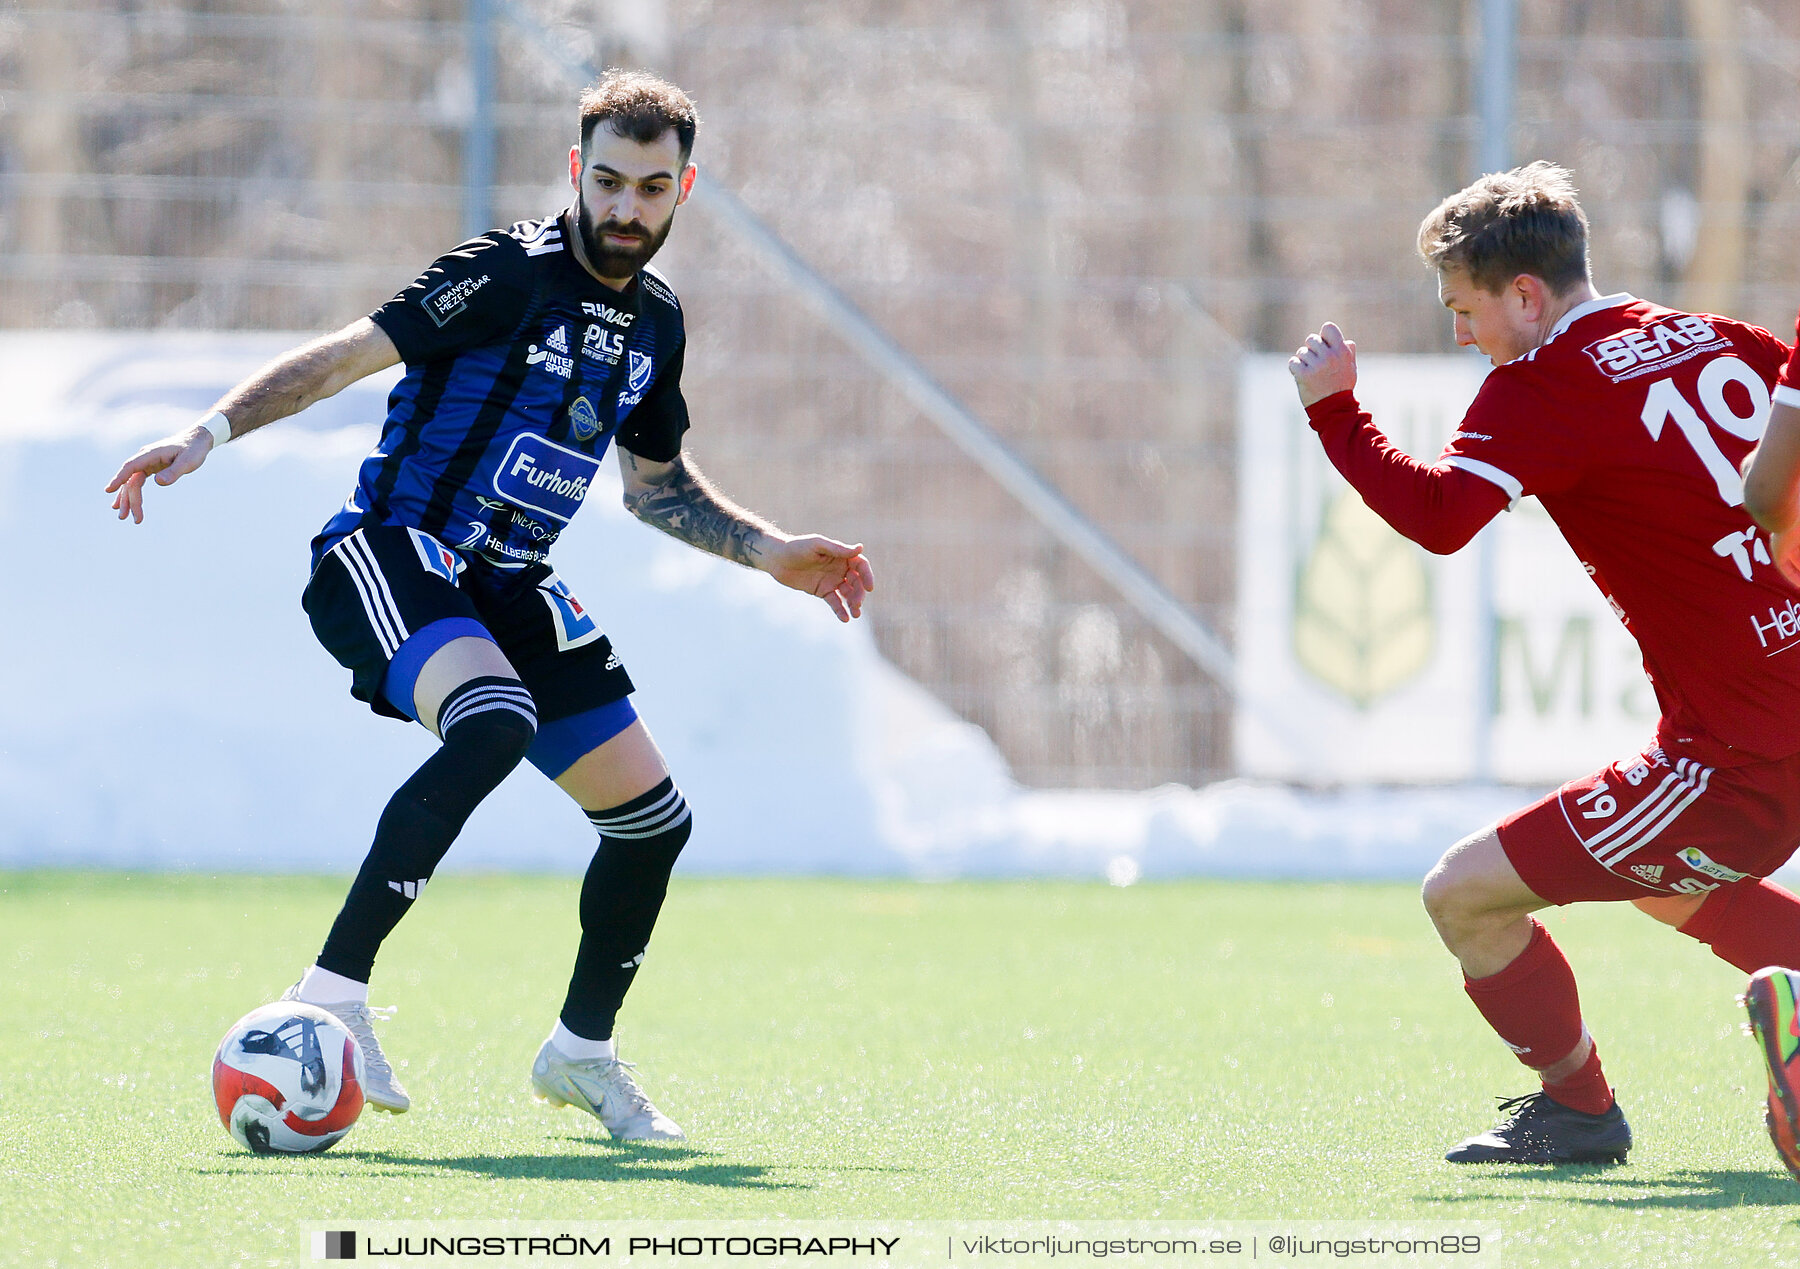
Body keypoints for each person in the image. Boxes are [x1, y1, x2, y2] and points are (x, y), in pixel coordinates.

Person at [106, 70, 874, 1142]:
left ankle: (581, 1055)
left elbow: (657, 490)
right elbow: (348, 353)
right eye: (606, 180)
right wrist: (210, 434)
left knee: (653, 823)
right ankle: (331, 994)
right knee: (496, 721)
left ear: (682, 189)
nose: (624, 208)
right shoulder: (505, 274)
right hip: (391, 552)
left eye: (650, 188)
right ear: (576, 170)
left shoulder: (657, 325)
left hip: (510, 587)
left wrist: (768, 550)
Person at [1287, 160, 1800, 1170]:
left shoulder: (1544, 386)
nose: (1460, 333)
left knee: (1462, 894)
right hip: (1771, 717)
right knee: (1658, 879)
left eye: (1464, 309)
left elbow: (1440, 518)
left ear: (1526, 295)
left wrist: (1336, 413)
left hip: (1743, 749)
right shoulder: (1719, 338)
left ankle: (1578, 1113)